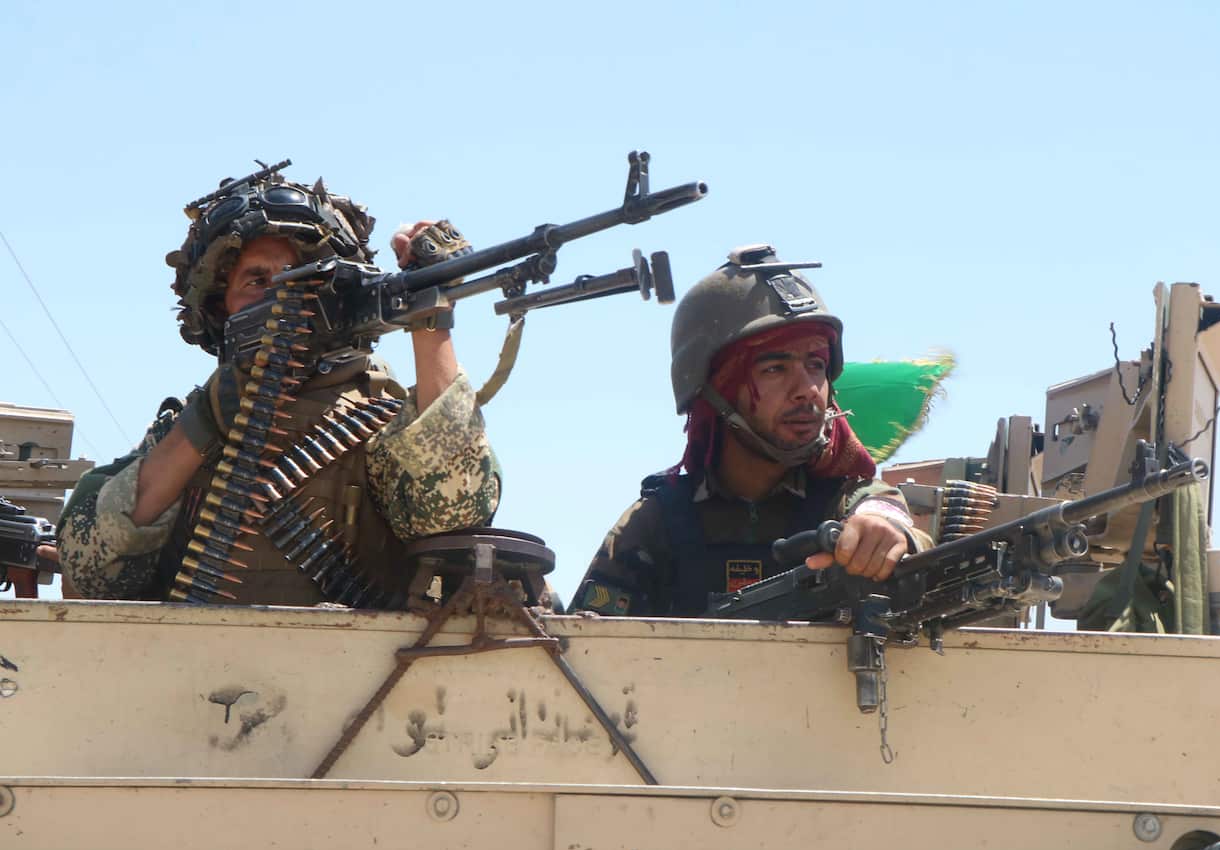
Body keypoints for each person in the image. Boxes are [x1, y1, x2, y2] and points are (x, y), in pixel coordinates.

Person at [58, 167, 500, 607]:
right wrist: (205, 423)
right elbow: (91, 570)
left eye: (300, 277)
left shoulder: (380, 421)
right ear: (221, 308)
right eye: (257, 281)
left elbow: (456, 514)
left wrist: (430, 315)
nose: (281, 296)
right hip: (196, 650)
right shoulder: (192, 425)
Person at [571, 244, 931, 617]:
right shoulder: (658, 521)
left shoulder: (848, 499)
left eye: (815, 365)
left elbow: (892, 520)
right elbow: (584, 639)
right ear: (717, 391)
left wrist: (888, 534)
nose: (807, 389)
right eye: (775, 369)